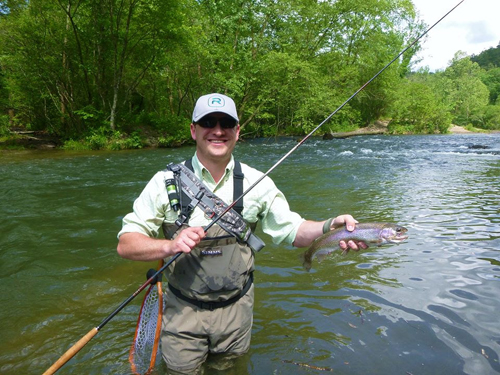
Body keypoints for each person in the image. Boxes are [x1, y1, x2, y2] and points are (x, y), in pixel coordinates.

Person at [117, 93, 367, 374]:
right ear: (193, 130)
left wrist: (328, 227)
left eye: (226, 123)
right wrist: (168, 246)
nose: (218, 130)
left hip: (237, 312)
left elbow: (294, 231)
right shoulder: (163, 183)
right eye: (208, 122)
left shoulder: (258, 182)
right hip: (182, 313)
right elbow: (127, 244)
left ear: (237, 131)